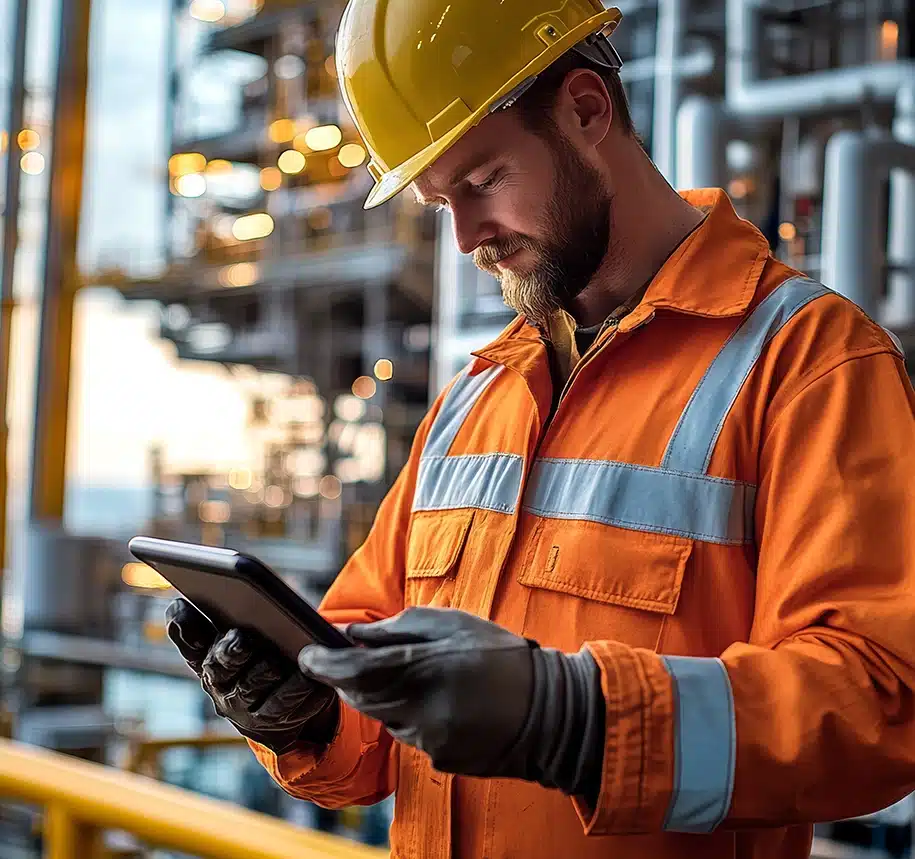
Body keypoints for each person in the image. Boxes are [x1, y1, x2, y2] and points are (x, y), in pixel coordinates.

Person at [165, 2, 915, 857]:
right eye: (438, 201)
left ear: (586, 110)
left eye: (482, 182)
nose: (465, 239)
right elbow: (371, 712)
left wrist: (572, 717)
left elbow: (879, 704)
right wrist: (304, 712)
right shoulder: (475, 394)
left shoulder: (806, 362)